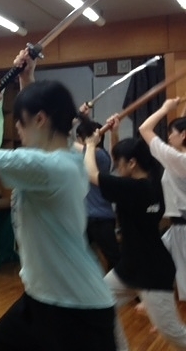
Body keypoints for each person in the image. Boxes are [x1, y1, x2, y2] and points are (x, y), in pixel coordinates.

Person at [0, 48, 115, 350]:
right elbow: (42, 137)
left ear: (41, 119)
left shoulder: (45, 167)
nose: (18, 129)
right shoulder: (70, 156)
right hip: (41, 298)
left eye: (21, 122)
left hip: (77, 310)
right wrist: (26, 78)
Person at [85, 118, 186, 349]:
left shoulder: (132, 188)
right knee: (98, 304)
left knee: (174, 334)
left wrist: (91, 144)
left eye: (119, 162)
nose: (116, 167)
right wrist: (115, 134)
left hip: (151, 272)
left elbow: (92, 173)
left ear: (132, 163)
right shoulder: (151, 183)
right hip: (131, 267)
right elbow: (118, 173)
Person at [139, 98, 186, 301]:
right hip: (177, 228)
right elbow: (182, 126)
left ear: (183, 135)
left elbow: (145, 129)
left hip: (183, 229)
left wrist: (165, 108)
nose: (168, 137)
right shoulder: (178, 157)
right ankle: (152, 303)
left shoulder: (178, 160)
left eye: (171, 133)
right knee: (151, 261)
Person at [75, 118, 120, 271]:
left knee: (114, 259)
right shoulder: (100, 155)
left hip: (99, 218)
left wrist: (76, 118)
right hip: (91, 217)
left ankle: (120, 285)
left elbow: (64, 143)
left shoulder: (96, 155)